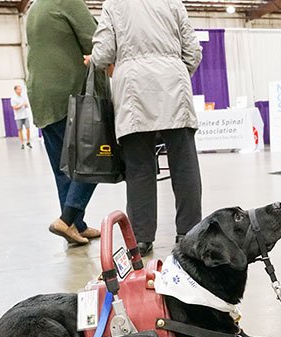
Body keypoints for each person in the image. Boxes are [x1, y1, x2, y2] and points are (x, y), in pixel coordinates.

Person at [89, 0, 203, 255]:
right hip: (174, 84)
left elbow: (103, 54)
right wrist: (174, 71)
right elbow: (193, 52)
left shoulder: (113, 4)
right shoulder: (173, 2)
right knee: (184, 165)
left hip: (133, 89)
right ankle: (189, 233)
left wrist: (98, 59)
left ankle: (141, 239)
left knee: (139, 168)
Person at [26, 0, 100, 245]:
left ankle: (75, 226)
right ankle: (67, 220)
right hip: (66, 94)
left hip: (40, 95)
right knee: (93, 158)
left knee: (63, 168)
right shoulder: (68, 1)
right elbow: (95, 42)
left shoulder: (35, 7)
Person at [10, 85, 32, 150]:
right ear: (15, 90)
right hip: (18, 117)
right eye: (19, 89)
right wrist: (22, 105)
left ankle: (28, 142)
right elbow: (15, 107)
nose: (20, 90)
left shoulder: (23, 97)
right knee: (20, 130)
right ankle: (22, 143)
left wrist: (26, 105)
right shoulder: (13, 98)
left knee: (28, 128)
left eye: (21, 89)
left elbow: (26, 105)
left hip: (25, 115)